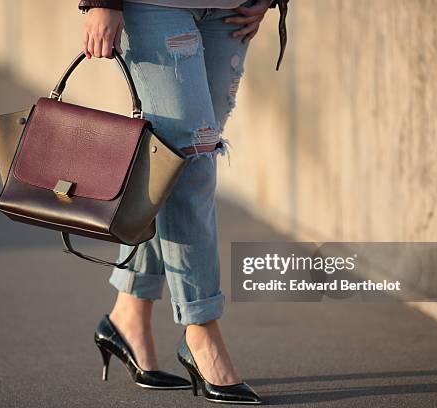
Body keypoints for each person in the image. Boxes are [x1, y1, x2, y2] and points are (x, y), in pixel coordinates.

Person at [79, 0, 289, 404]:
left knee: (173, 164)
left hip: (232, 8)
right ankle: (201, 330)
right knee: (190, 167)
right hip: (156, 6)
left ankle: (128, 314)